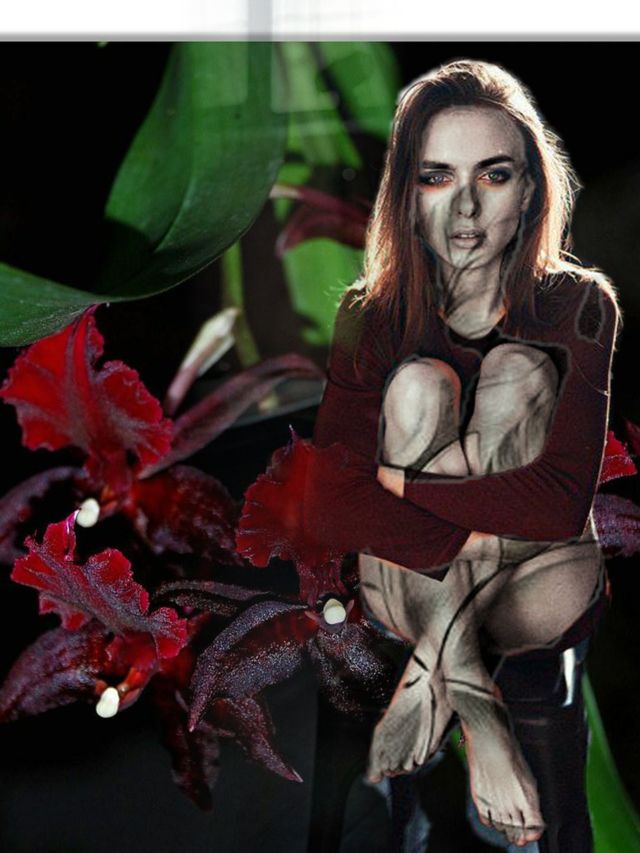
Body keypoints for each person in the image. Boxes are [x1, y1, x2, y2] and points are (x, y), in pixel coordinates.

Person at [305, 59, 620, 851]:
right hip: (411, 581)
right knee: (419, 387)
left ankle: (436, 677)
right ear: (407, 196)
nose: (466, 208)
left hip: (542, 573)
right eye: (437, 176)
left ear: (532, 191)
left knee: (516, 373)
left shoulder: (579, 307)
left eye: (495, 174)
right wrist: (476, 691)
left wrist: (398, 483)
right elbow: (330, 504)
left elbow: (558, 502)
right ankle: (477, 706)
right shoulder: (371, 315)